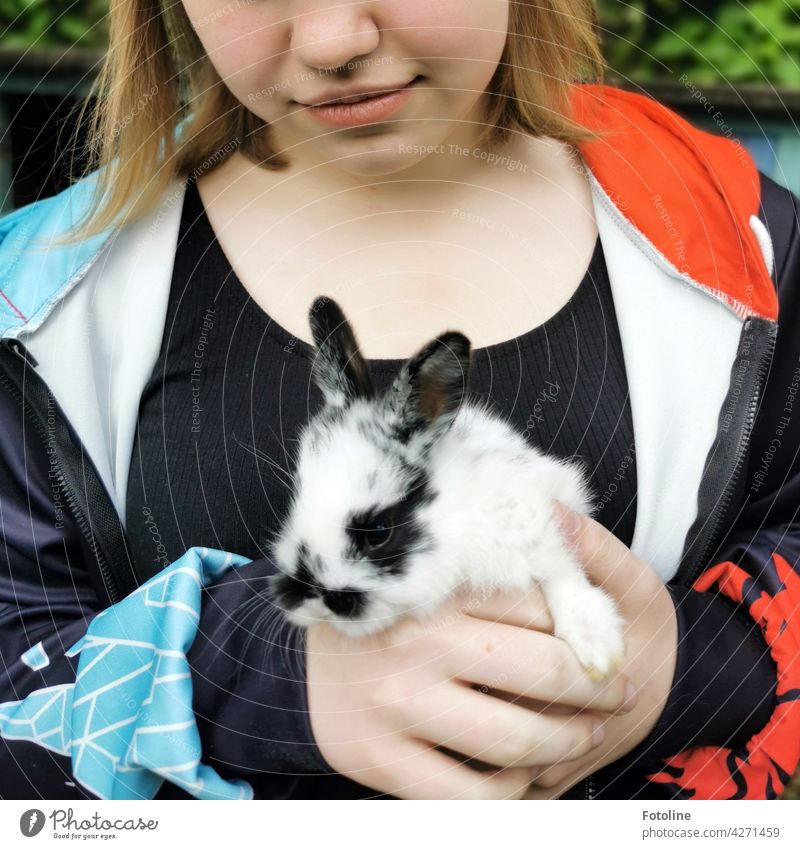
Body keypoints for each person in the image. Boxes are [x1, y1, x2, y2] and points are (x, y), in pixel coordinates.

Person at [0, 0, 799, 801]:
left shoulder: (747, 244)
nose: (331, 40)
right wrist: (249, 683)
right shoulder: (38, 309)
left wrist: (687, 666)